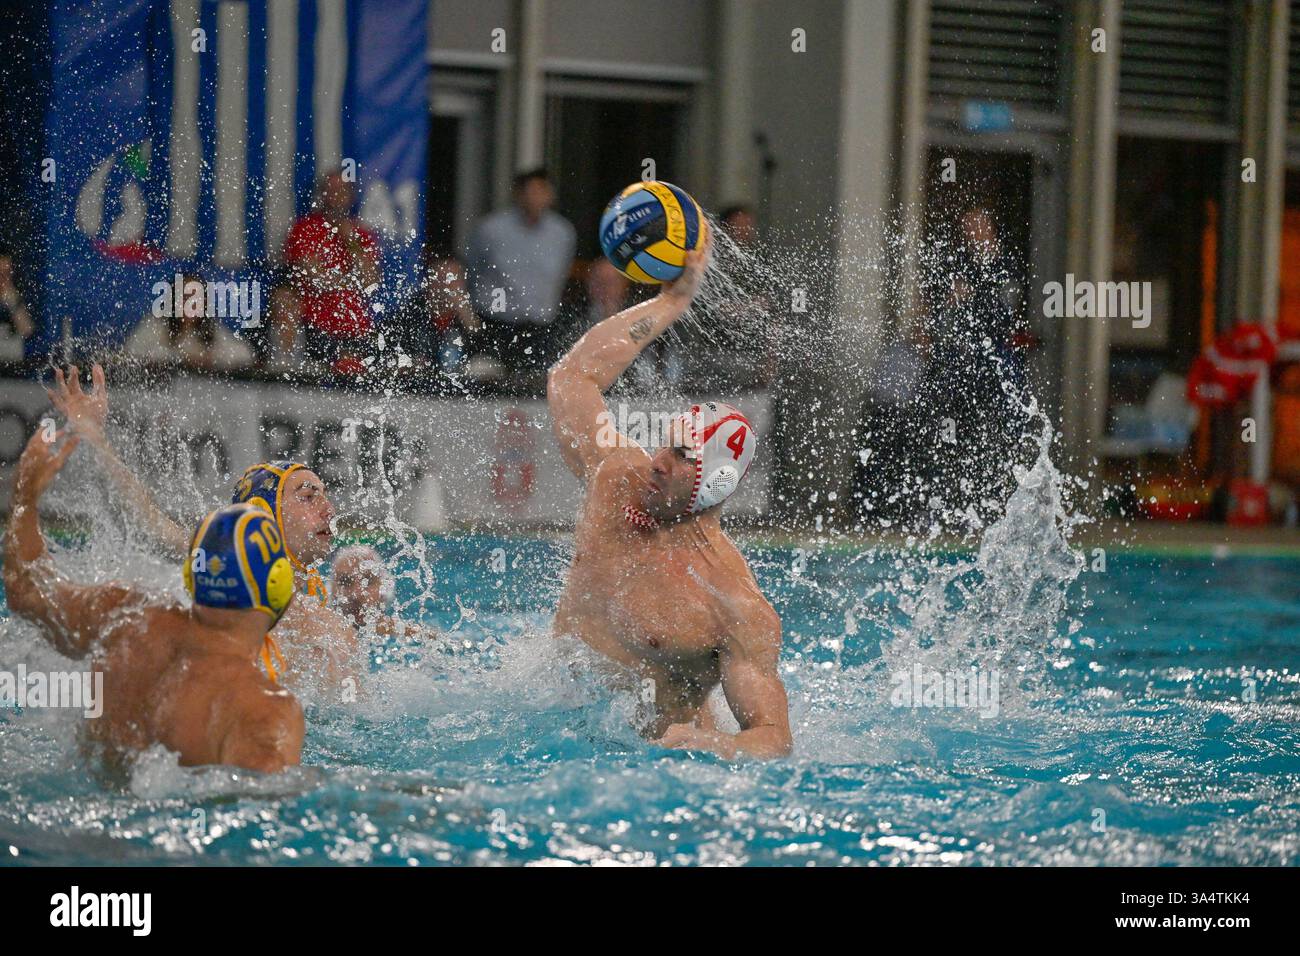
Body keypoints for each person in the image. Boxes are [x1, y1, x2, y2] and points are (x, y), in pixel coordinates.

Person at [547, 232, 792, 759]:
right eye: (666, 444)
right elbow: (572, 378)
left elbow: (773, 740)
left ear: (715, 485)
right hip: (545, 722)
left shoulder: (734, 604)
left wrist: (709, 743)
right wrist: (671, 301)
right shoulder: (617, 477)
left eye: (681, 456)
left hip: (637, 757)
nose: (656, 459)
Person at [46, 364, 364, 695]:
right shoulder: (219, 578)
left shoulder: (335, 631)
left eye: (325, 497)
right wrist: (94, 436)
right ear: (263, 514)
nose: (329, 509)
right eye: (309, 497)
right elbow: (148, 520)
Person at [3, 431, 304, 773]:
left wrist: (25, 495)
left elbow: (25, 590)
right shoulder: (264, 711)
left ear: (192, 577)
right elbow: (262, 811)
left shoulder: (125, 615)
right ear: (279, 586)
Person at [465, 168, 576, 374]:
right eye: (529, 191)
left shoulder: (562, 233)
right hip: (496, 325)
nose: (535, 198)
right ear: (517, 194)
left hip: (541, 330)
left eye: (541, 191)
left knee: (538, 396)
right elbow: (472, 271)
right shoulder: (491, 230)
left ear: (550, 195)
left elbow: (561, 276)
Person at [283, 169, 380, 373]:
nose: (336, 197)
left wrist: (350, 242)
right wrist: (351, 280)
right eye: (331, 190)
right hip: (316, 327)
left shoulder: (360, 234)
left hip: (356, 330)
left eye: (341, 191)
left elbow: (370, 281)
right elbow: (315, 279)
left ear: (351, 196)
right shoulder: (305, 229)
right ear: (322, 195)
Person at [124, 272, 255, 371]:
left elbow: (245, 354)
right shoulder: (156, 323)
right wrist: (181, 358)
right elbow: (133, 351)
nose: (191, 303)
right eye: (185, 297)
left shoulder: (211, 328)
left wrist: (212, 357)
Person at [0, 253, 35, 362]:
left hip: (11, 364)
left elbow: (27, 330)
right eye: (1, 273)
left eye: (7, 273)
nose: (4, 278)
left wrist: (12, 302)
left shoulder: (14, 296)